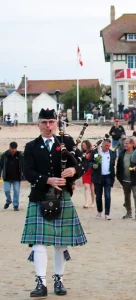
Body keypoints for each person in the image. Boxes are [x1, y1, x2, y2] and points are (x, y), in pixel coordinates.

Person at [21, 108, 87, 297]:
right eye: (44, 122)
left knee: (60, 243)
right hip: (40, 196)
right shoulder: (32, 146)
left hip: (62, 197)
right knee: (39, 243)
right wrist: (47, 179)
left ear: (56, 124)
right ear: (38, 124)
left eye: (51, 122)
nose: (48, 126)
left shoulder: (66, 142)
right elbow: (28, 172)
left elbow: (82, 163)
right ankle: (41, 283)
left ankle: (59, 280)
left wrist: (74, 171)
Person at [89, 139, 117, 220]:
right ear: (102, 145)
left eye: (109, 146)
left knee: (108, 196)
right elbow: (89, 162)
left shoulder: (112, 153)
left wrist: (113, 177)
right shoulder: (96, 152)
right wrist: (93, 165)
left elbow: (112, 165)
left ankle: (107, 214)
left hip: (108, 176)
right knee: (98, 196)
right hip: (98, 177)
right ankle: (99, 211)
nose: (107, 147)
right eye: (106, 146)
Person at [117, 137, 136, 219]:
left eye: (127, 143)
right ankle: (128, 212)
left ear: (132, 144)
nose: (125, 144)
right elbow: (118, 167)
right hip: (124, 180)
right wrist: (119, 178)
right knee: (126, 196)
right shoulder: (122, 154)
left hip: (134, 179)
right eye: (125, 143)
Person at [0, 141, 24, 211]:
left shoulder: (20, 155)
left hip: (17, 177)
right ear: (9, 148)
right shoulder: (4, 155)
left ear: (16, 148)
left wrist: (24, 175)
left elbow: (23, 166)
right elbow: (0, 166)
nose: (13, 151)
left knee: (16, 191)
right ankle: (8, 201)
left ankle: (15, 205)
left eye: (14, 149)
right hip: (7, 177)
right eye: (11, 149)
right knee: (6, 191)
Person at [81, 140, 95, 208]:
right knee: (86, 187)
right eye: (82, 145)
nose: (83, 146)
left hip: (91, 171)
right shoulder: (82, 153)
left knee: (92, 188)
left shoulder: (92, 151)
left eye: (84, 145)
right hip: (85, 171)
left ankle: (93, 202)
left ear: (87, 145)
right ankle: (86, 203)